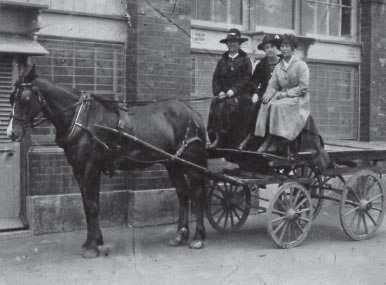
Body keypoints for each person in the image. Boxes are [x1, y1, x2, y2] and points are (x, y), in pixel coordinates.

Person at [254, 34, 310, 154]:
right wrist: (268, 94)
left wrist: (287, 94)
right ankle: (263, 138)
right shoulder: (279, 66)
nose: (284, 49)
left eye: (287, 46)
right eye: (282, 46)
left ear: (293, 48)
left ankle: (273, 140)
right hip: (282, 95)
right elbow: (273, 84)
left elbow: (303, 87)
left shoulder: (301, 65)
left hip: (298, 98)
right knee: (265, 103)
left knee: (277, 106)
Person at [207, 28, 252, 149]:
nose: (231, 44)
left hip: (240, 94)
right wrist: (219, 91)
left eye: (234, 42)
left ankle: (230, 139)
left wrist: (234, 90)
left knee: (228, 106)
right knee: (216, 103)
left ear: (239, 44)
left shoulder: (245, 60)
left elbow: (247, 79)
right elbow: (216, 78)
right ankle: (215, 136)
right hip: (224, 94)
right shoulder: (222, 61)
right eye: (229, 42)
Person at [238, 34, 282, 150]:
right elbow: (254, 81)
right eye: (267, 48)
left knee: (272, 108)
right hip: (264, 94)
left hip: (280, 94)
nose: (270, 50)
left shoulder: (283, 62)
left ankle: (269, 140)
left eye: (272, 47)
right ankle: (250, 135)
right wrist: (256, 93)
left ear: (276, 47)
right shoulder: (262, 64)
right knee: (252, 108)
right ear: (264, 50)